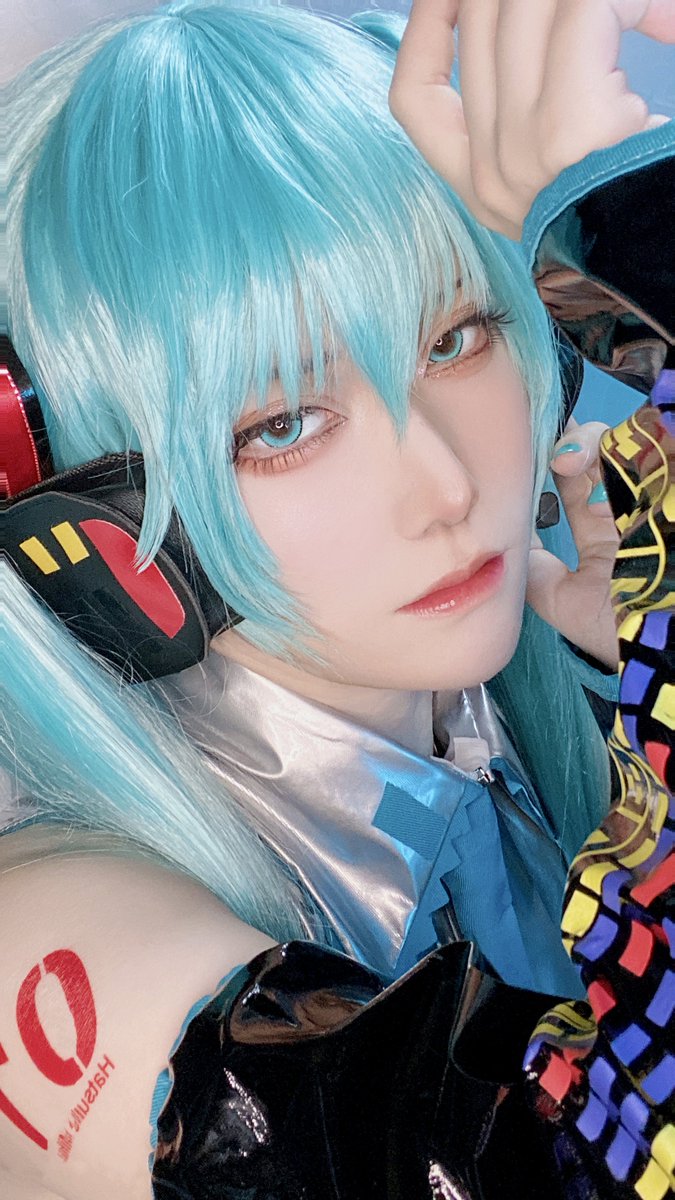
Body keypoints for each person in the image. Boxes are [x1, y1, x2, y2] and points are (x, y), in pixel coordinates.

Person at [0, 2, 672, 1196]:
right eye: (283, 425)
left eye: (456, 339)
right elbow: (583, 1168)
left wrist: (637, 698)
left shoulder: (526, 708)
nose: (449, 486)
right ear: (89, 524)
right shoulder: (44, 937)